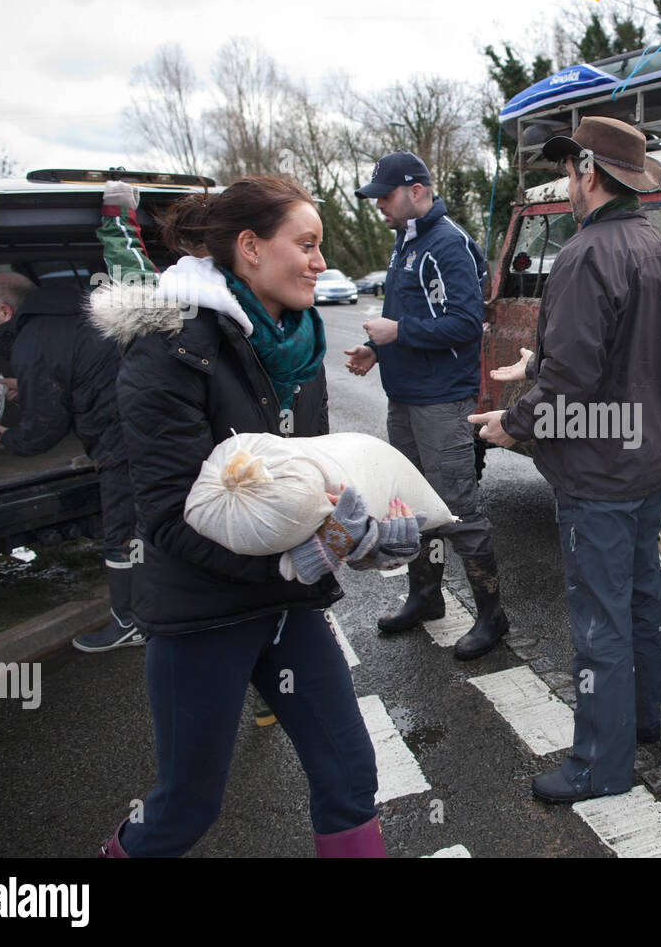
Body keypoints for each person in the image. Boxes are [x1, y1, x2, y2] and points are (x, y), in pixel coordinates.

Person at [87, 174, 421, 857]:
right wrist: (298, 554)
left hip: (287, 607)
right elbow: (172, 518)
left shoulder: (297, 345)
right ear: (249, 246)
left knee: (351, 776)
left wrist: (366, 538)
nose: (321, 264)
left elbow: (318, 480)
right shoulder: (170, 347)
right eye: (307, 244)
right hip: (202, 613)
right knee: (187, 807)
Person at [469, 117, 661, 803]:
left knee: (599, 622)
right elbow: (619, 355)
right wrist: (542, 362)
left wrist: (513, 421)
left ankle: (599, 765)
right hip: (645, 461)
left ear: (588, 171)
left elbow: (571, 384)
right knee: (639, 602)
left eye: (568, 170)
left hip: (597, 475)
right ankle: (639, 720)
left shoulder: (586, 254)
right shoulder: (653, 245)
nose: (565, 182)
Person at [345, 151, 510, 660]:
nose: (379, 208)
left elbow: (466, 323)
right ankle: (425, 596)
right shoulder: (405, 241)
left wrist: (398, 332)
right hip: (406, 399)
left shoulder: (448, 243)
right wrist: (378, 350)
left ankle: (492, 617)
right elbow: (407, 314)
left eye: (386, 197)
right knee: (415, 506)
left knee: (458, 510)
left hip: (442, 402)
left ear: (416, 190)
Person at [0, 182, 147, 653]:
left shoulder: (31, 341)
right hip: (150, 425)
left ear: (5, 310)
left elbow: (45, 425)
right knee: (153, 523)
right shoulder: (80, 305)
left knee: (122, 532)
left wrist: (10, 442)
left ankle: (131, 621)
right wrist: (22, 386)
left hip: (122, 438)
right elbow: (74, 372)